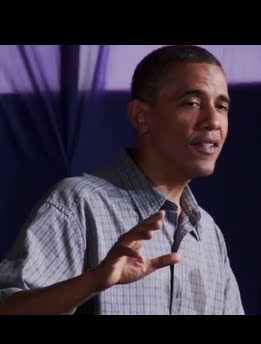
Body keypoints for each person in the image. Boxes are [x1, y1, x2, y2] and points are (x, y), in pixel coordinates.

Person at [0, 45, 244, 315]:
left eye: (221, 106)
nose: (213, 120)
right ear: (141, 116)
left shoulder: (209, 234)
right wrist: (93, 281)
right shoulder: (78, 204)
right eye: (192, 103)